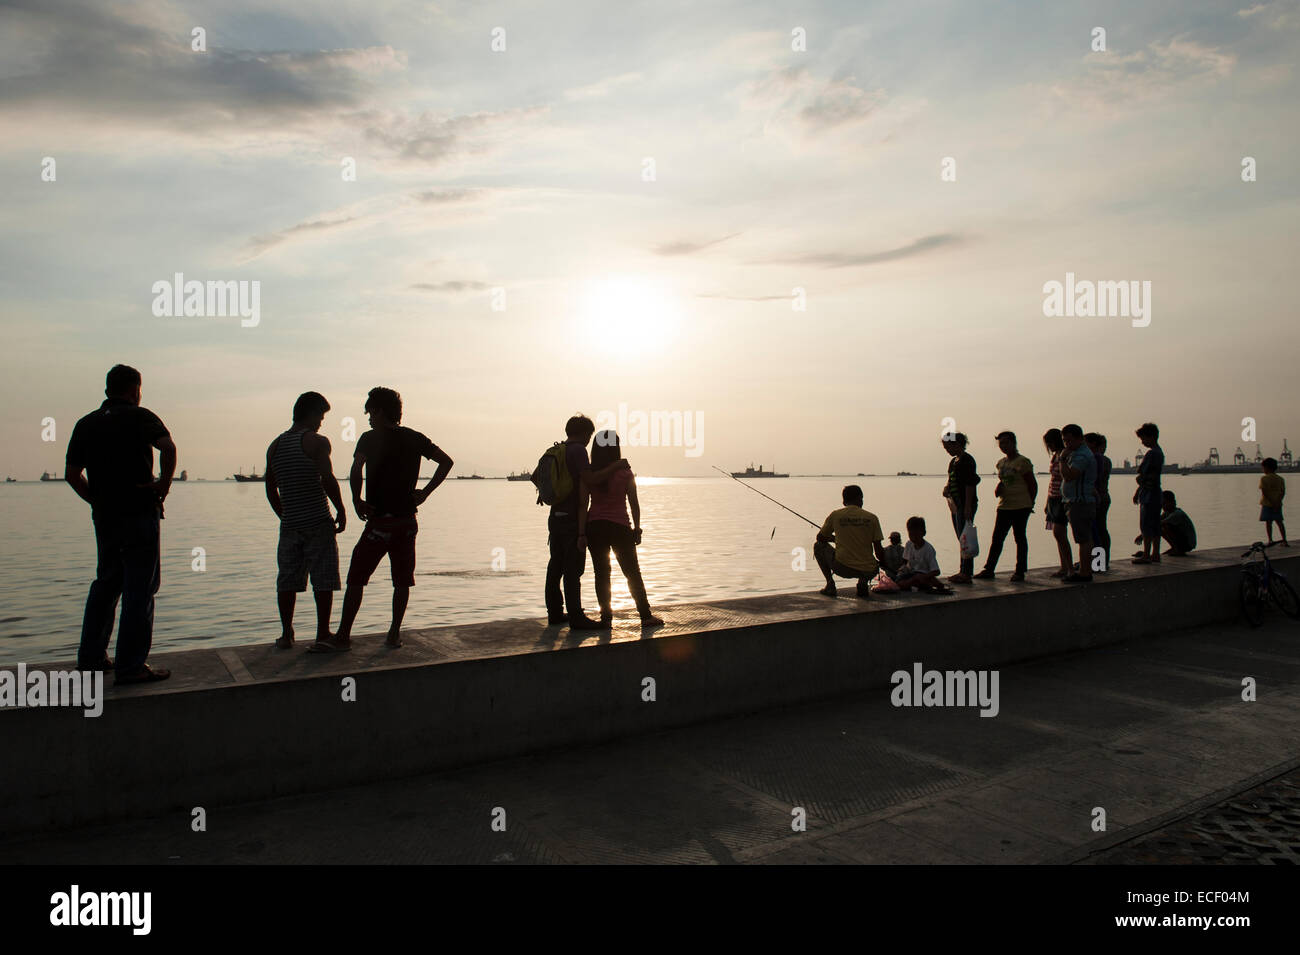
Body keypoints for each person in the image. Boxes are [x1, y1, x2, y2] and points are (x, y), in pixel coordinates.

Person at [314, 387, 453, 652]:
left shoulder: (369, 439)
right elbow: (446, 462)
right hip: (406, 522)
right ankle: (393, 634)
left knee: (357, 577)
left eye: (369, 412)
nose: (367, 417)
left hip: (380, 523)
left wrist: (356, 500)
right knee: (401, 580)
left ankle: (343, 635)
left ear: (379, 411)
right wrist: (425, 492)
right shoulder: (415, 438)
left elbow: (356, 469)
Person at [64, 365, 176, 684]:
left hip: (106, 518)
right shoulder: (142, 417)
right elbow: (168, 447)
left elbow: (72, 474)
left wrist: (97, 501)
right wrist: (163, 485)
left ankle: (91, 658)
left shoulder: (86, 424)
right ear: (135, 389)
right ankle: (130, 667)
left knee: (106, 583)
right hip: (140, 513)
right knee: (140, 588)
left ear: (107, 389)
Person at [265, 392, 347, 649]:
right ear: (311, 414)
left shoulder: (275, 446)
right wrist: (341, 509)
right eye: (321, 416)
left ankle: (286, 633)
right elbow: (327, 478)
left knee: (287, 579)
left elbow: (270, 487)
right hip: (318, 522)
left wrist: (285, 514)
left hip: (290, 524)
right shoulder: (316, 442)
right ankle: (323, 633)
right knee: (323, 579)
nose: (321, 422)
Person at [545, 415, 631, 629]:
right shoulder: (578, 451)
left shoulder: (555, 450)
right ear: (584, 433)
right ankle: (576, 617)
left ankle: (555, 613)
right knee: (573, 569)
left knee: (555, 565)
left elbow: (537, 476)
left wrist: (550, 494)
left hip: (555, 516)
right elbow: (590, 479)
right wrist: (616, 466)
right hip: (573, 518)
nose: (588, 440)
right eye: (589, 435)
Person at [576, 431, 663, 628]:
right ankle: (645, 615)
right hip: (620, 526)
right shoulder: (625, 473)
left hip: (595, 527)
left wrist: (581, 533)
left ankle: (606, 618)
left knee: (601, 573)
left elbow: (583, 505)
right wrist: (638, 529)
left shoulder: (589, 475)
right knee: (632, 572)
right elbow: (634, 504)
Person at [975, 431, 1035, 581]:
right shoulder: (1001, 463)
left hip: (1021, 505)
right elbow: (1005, 480)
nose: (1004, 446)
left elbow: (1032, 484)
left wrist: (1031, 502)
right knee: (997, 538)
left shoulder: (1023, 462)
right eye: (1001, 443)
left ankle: (1020, 571)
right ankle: (989, 569)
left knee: (1019, 537)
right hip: (1004, 505)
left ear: (1014, 443)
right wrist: (999, 487)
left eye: (1006, 443)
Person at [814, 484, 886, 598]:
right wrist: (883, 563)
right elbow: (878, 551)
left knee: (818, 546)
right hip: (868, 570)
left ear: (844, 501)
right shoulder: (872, 518)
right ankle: (863, 581)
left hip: (842, 568)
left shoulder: (836, 515)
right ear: (860, 499)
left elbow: (820, 538)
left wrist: (835, 538)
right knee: (872, 563)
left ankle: (830, 584)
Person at [1058, 424, 1097, 582]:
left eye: (1069, 440)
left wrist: (1061, 459)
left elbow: (1069, 475)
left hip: (1080, 502)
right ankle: (1086, 569)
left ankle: (1085, 572)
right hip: (1075, 500)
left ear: (1079, 438)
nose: (1066, 444)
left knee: (1083, 538)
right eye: (1064, 441)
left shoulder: (1081, 455)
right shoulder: (1077, 453)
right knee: (1084, 537)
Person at [941, 432, 979, 583]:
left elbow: (970, 483)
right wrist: (947, 488)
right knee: (961, 538)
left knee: (966, 538)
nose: (947, 450)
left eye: (948, 446)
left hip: (965, 504)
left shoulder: (967, 460)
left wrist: (968, 506)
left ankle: (966, 572)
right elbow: (951, 479)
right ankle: (963, 570)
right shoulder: (953, 461)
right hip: (955, 504)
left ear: (956, 444)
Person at [1133, 422, 1164, 564]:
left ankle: (1146, 554)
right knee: (1155, 525)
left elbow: (1143, 475)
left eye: (1143, 439)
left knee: (1146, 525)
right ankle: (1155, 553)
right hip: (1154, 493)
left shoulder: (1152, 454)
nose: (1143, 442)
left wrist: (1140, 482)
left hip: (1149, 495)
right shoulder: (1159, 452)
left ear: (1151, 437)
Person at [1043, 428, 1072, 578]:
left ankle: (1069, 568)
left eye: (1050, 442)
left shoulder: (1064, 455)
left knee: (1060, 533)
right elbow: (1053, 480)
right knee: (1058, 535)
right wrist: (1047, 501)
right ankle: (1064, 566)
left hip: (1062, 498)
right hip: (1053, 497)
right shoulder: (1055, 456)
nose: (1049, 445)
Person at [896, 516, 952, 593]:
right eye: (911, 534)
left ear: (923, 533)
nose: (913, 537)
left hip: (924, 575)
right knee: (900, 582)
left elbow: (936, 571)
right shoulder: (909, 544)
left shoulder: (928, 549)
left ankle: (929, 584)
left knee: (921, 580)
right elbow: (905, 561)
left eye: (916, 534)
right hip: (911, 574)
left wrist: (923, 576)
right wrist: (902, 570)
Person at [1086, 432, 1112, 570]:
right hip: (1101, 497)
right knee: (1099, 530)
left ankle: (1100, 562)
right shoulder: (1102, 459)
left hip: (1098, 498)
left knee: (1098, 531)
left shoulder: (1097, 459)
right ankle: (1098, 561)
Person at [1259, 457, 1288, 547]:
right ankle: (1284, 540)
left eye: (1263, 468)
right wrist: (1278, 502)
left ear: (1267, 468)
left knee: (1268, 523)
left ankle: (1270, 540)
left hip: (1267, 504)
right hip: (1278, 504)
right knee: (1280, 522)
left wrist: (1272, 502)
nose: (1263, 470)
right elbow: (1282, 492)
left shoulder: (1264, 479)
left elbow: (1264, 492)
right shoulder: (1280, 479)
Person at [1160, 490, 1197, 556]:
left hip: (1188, 544)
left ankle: (1178, 549)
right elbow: (1155, 522)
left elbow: (1159, 524)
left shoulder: (1177, 514)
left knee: (1165, 525)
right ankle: (1174, 548)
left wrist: (1143, 536)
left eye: (1164, 503)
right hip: (1183, 540)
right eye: (1162, 504)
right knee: (1160, 527)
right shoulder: (1166, 513)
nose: (1162, 506)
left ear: (1172, 502)